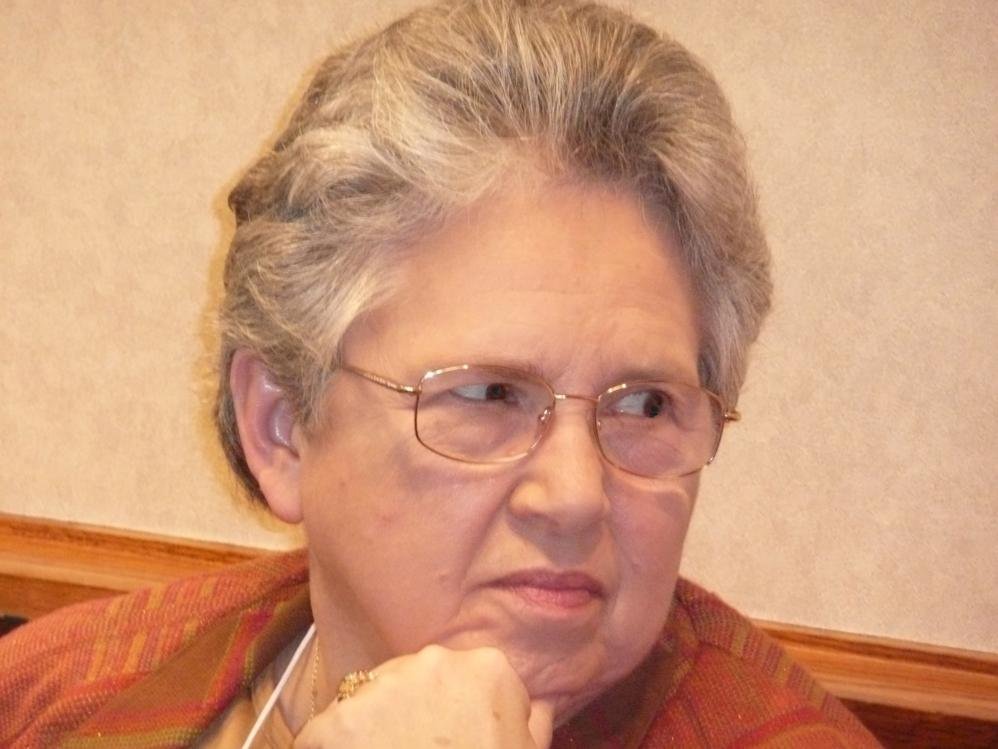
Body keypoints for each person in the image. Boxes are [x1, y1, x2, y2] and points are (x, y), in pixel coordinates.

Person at [0, 1, 882, 746]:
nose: (576, 496)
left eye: (646, 404)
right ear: (282, 427)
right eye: (491, 394)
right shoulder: (52, 696)